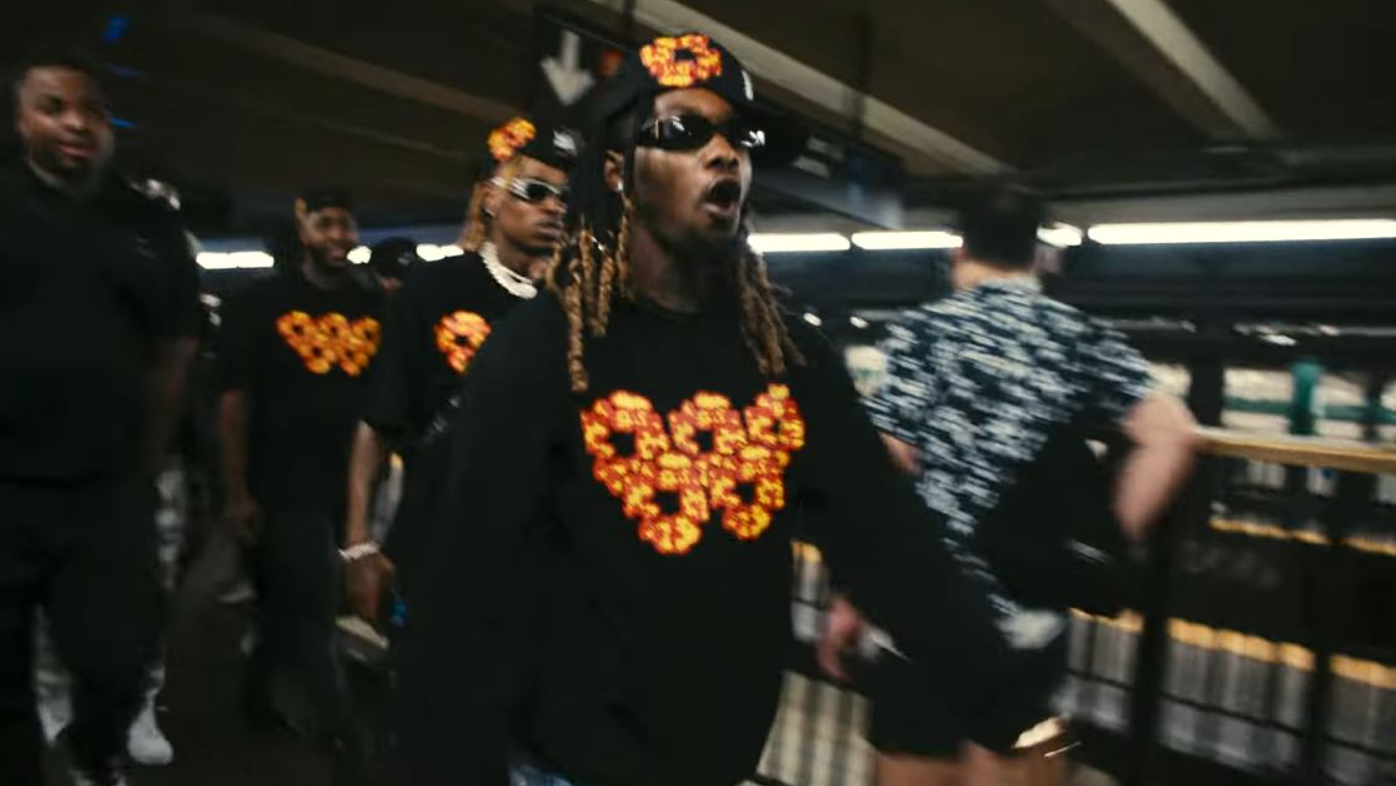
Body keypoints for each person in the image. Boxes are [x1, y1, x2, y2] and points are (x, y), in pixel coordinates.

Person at [400, 33, 1046, 786]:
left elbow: (887, 540)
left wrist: (1012, 707)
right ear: (617, 170)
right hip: (565, 768)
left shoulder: (789, 359)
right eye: (682, 130)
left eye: (740, 137)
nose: (724, 153)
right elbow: (471, 596)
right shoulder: (542, 353)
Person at [820, 189, 1200, 786]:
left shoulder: (926, 330)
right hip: (1031, 613)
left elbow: (887, 462)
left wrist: (851, 598)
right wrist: (1099, 539)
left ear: (958, 251)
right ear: (1039, 257)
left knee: (911, 759)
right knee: (1030, 750)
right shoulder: (1077, 334)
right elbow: (1173, 434)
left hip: (923, 607)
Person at [0, 48, 200, 786]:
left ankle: (92, 746)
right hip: (6, 484)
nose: (76, 123)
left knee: (118, 656)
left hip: (108, 488)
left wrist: (143, 464)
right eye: (53, 107)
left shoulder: (148, 224)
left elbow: (175, 350)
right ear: (21, 120)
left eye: (92, 110)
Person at [342, 116, 577, 627]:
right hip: (437, 546)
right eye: (535, 191)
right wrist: (358, 545)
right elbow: (379, 419)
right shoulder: (432, 290)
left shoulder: (576, 308)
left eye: (563, 197)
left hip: (543, 564)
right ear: (491, 199)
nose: (553, 207)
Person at [217, 187, 382, 782]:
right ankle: (347, 741)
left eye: (347, 225)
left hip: (351, 483)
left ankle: (256, 699)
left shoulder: (375, 307)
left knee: (287, 604)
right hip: (282, 483)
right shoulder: (260, 303)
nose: (339, 236)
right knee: (313, 604)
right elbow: (233, 405)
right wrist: (237, 492)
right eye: (326, 224)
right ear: (303, 229)